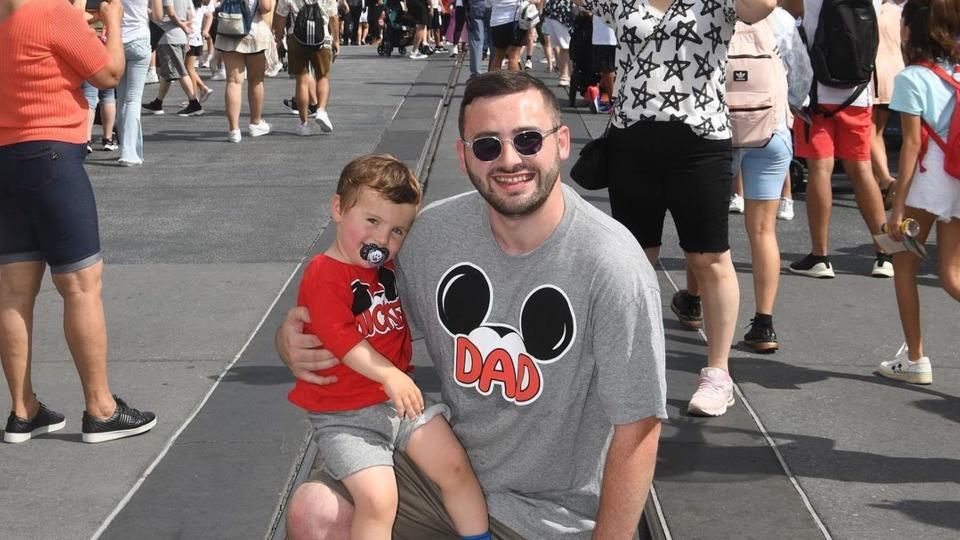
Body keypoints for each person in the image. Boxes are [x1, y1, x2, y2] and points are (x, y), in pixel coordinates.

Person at [277, 71, 665, 539]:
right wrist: (290, 341)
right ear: (463, 158)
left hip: (545, 516)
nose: (509, 159)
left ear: (562, 143)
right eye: (486, 145)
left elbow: (639, 426)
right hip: (447, 473)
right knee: (315, 511)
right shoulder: (431, 237)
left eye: (527, 140)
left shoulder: (610, 263)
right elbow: (346, 306)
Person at [579, 0, 774, 416]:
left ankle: (718, 375)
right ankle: (624, 364)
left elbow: (762, 7)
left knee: (710, 257)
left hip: (700, 143)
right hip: (632, 140)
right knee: (632, 258)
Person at [290, 154, 491, 540]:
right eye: (373, 221)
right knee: (379, 500)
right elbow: (341, 338)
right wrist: (389, 374)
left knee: (454, 467)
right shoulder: (324, 273)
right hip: (348, 417)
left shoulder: (384, 271)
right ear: (338, 209)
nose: (383, 240)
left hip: (398, 404)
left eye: (398, 231)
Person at [0, 0, 157, 444]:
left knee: (12, 291)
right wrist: (109, 22)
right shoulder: (52, 11)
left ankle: (22, 408)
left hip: (5, 157)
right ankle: (101, 409)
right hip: (51, 157)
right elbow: (108, 74)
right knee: (81, 286)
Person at [879, 0, 960, 385]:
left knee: (903, 262)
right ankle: (913, 360)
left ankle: (915, 359)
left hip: (929, 183)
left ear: (912, 29)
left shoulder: (911, 77)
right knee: (952, 274)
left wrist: (897, 207)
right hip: (959, 179)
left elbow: (911, 145)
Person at [787, 0, 894, 279]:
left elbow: (787, 9)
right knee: (861, 170)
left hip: (818, 90)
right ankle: (884, 254)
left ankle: (820, 256)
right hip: (858, 92)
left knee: (820, 169)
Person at [727, 4, 812, 353]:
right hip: (771, 129)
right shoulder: (780, 20)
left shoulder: (710, 11)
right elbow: (802, 76)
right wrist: (789, 105)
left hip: (721, 132)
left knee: (708, 225)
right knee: (763, 231)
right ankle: (764, 322)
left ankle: (695, 299)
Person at [274, 0, 340, 136]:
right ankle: (320, 110)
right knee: (322, 76)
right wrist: (336, 40)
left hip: (296, 37)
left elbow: (281, 15)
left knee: (301, 79)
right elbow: (333, 16)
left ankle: (304, 124)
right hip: (322, 37)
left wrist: (279, 39)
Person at [214, 0, 275, 142]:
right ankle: (255, 123)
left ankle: (234, 130)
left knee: (233, 81)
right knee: (256, 80)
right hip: (253, 31)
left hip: (229, 28)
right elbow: (266, 7)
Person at [115, 0, 163, 166]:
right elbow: (158, 16)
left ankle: (125, 146)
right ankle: (129, 151)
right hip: (140, 38)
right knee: (133, 99)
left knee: (121, 99)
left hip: (119, 40)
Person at [871, 0, 907, 208]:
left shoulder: (872, 10)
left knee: (869, 131)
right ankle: (880, 181)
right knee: (878, 132)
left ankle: (886, 180)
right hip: (896, 73)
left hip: (875, 73)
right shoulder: (897, 11)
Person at [142, 0, 206, 116]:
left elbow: (170, 12)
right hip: (178, 36)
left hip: (168, 35)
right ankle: (158, 103)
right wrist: (185, 31)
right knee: (167, 73)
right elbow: (190, 15)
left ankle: (194, 103)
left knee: (180, 71)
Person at [541, 0, 572, 86]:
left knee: (565, 46)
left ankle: (566, 74)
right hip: (558, 12)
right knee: (564, 46)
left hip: (563, 12)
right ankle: (565, 74)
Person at [487, 0, 521, 71]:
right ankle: (513, 82)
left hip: (497, 22)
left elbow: (488, 4)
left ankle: (493, 81)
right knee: (514, 56)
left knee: (498, 57)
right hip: (515, 20)